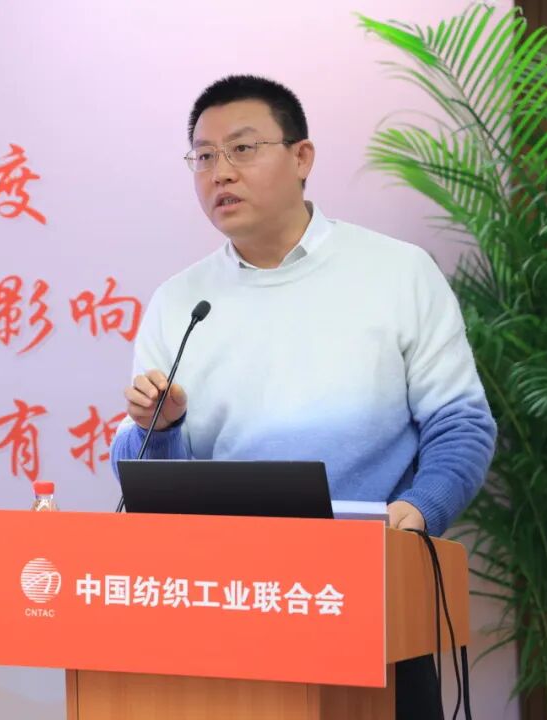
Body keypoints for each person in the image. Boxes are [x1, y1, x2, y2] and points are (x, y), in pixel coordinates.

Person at [108, 74, 496, 714]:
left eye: (242, 148)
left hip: (369, 598)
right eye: (203, 157)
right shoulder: (180, 301)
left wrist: (418, 511)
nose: (220, 172)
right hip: (225, 606)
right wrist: (162, 425)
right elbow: (141, 476)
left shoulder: (397, 272)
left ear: (302, 157)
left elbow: (461, 425)